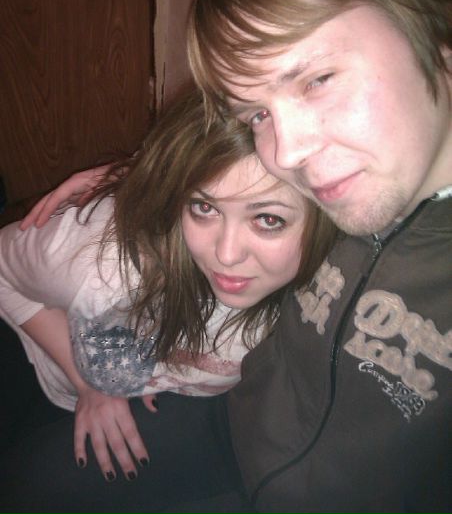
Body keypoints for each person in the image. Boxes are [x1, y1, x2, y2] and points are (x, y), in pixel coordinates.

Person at [8, 0, 452, 512]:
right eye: (257, 113)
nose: (286, 154)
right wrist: (139, 176)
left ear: (438, 34)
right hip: (228, 422)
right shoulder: (351, 172)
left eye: (317, 79)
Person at [0, 92, 334, 511]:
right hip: (37, 355)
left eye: (268, 219)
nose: (226, 254)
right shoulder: (103, 267)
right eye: (204, 207)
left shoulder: (329, 288)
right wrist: (90, 386)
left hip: (141, 392)